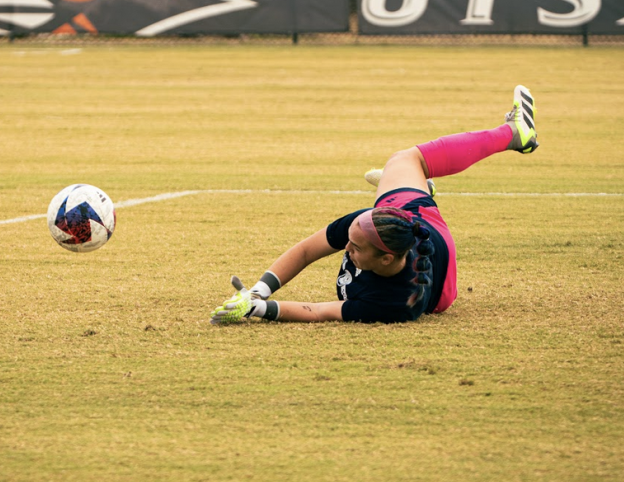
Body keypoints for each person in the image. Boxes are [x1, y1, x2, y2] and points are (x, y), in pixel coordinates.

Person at [210, 85, 538, 326]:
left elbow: (321, 311)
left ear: (385, 258)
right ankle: (507, 136)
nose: (344, 248)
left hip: (441, 292)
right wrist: (257, 292)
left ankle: (514, 135)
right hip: (414, 213)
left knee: (403, 163)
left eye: (353, 247)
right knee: (406, 158)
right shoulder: (367, 223)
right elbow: (307, 251)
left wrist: (261, 310)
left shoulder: (397, 302)